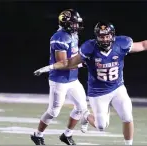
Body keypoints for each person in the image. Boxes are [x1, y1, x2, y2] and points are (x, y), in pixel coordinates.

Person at [34, 21, 147, 145]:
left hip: (117, 87)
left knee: (127, 116)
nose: (104, 39)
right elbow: (70, 62)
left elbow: (142, 45)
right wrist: (51, 67)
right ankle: (85, 115)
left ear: (113, 35)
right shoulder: (89, 48)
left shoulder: (122, 43)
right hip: (98, 92)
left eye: (107, 36)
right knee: (101, 126)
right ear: (96, 37)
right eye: (101, 36)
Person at [31, 9, 89, 145]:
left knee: (81, 108)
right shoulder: (59, 37)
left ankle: (67, 135)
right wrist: (82, 64)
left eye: (77, 23)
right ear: (65, 23)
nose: (76, 26)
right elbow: (63, 63)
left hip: (73, 79)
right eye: (73, 23)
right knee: (53, 112)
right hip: (59, 80)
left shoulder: (73, 35)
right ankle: (38, 135)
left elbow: (74, 55)